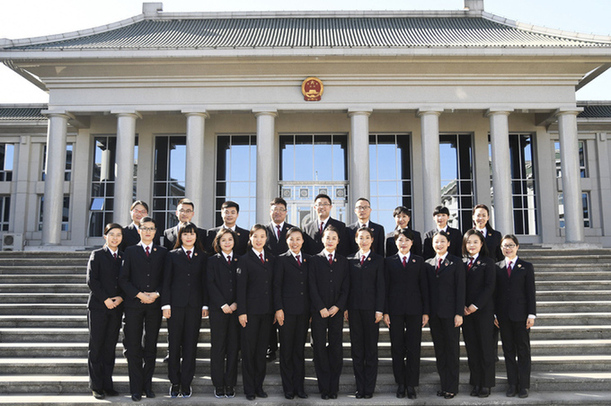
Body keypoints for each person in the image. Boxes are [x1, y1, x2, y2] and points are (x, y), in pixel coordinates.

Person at [119, 216, 167, 402]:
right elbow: (123, 279)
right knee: (133, 347)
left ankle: (148, 385)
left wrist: (156, 294)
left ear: (155, 232)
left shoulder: (162, 252)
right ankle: (136, 388)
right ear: (139, 231)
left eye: (151, 228)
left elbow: (167, 279)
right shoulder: (130, 251)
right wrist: (139, 294)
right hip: (133, 305)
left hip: (154, 305)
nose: (148, 231)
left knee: (151, 346)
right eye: (144, 228)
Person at [161, 223, 207, 398]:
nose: (189, 237)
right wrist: (165, 305)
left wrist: (205, 305)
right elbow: (166, 281)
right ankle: (174, 382)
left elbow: (204, 283)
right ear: (180, 236)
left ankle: (186, 383)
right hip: (175, 306)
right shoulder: (172, 255)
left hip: (194, 306)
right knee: (174, 345)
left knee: (190, 345)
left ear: (196, 236)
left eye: (192, 234)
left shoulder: (203, 256)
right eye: (185, 234)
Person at [383, 228, 429, 400]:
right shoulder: (389, 261)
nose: (403, 243)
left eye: (407, 240)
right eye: (400, 240)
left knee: (413, 347)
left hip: (415, 310)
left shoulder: (419, 261)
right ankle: (400, 383)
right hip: (394, 310)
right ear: (395, 242)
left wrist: (426, 311)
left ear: (412, 243)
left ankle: (411, 384)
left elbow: (424, 287)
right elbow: (385, 287)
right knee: (397, 347)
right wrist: (385, 311)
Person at [309, 225, 350, 399]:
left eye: (334, 238)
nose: (330, 241)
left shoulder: (344, 261)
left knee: (336, 348)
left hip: (336, 312)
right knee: (319, 348)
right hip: (318, 311)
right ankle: (323, 387)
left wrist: (338, 306)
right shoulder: (314, 260)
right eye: (327, 238)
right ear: (322, 240)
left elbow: (346, 287)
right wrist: (320, 307)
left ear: (338, 241)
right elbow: (311, 285)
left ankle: (334, 387)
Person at [425, 231, 465, 399]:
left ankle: (452, 387)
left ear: (448, 243)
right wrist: (426, 312)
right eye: (436, 242)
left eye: (442, 241)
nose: (439, 244)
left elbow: (460, 289)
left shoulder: (456, 262)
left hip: (451, 314)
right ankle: (444, 385)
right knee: (440, 351)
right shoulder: (428, 264)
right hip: (435, 315)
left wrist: (459, 313)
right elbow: (426, 291)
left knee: (452, 350)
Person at [345, 227, 385, 399]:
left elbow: (381, 286)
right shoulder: (349, 260)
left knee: (371, 350)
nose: (364, 241)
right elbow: (346, 286)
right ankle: (359, 387)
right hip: (354, 310)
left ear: (372, 240)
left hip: (371, 310)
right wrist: (346, 308)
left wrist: (379, 309)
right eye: (360, 237)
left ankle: (369, 388)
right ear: (356, 240)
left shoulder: (378, 260)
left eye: (367, 237)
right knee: (357, 350)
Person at [495, 234, 536, 399]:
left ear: (517, 247)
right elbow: (495, 294)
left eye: (511, 245)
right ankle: (512, 384)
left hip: (521, 316)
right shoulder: (497, 267)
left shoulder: (526, 266)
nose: (508, 248)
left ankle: (524, 385)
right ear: (501, 248)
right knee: (508, 351)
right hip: (503, 317)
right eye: (505, 246)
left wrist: (531, 314)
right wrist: (495, 314)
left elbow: (530, 292)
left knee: (523, 350)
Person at [237, 224, 275, 400]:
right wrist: (242, 312)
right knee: (248, 352)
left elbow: (274, 286)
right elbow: (241, 288)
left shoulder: (271, 259)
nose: (259, 240)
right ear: (250, 238)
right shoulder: (244, 260)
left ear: (266, 239)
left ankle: (259, 386)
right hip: (249, 313)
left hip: (267, 312)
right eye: (255, 236)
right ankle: (249, 389)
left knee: (261, 352)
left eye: (262, 236)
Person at [86, 223, 124, 400]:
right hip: (99, 307)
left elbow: (127, 280)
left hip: (116, 308)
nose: (115, 238)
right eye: (112, 234)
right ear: (105, 236)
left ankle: (108, 385)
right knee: (96, 346)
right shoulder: (97, 255)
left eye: (118, 235)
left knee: (110, 347)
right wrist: (105, 299)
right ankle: (96, 386)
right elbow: (91, 280)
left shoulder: (123, 257)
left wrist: (121, 297)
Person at [274, 227, 310, 400]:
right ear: (286, 241)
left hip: (303, 311)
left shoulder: (309, 260)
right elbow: (276, 286)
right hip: (286, 312)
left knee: (299, 351)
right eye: (291, 239)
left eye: (298, 239)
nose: (295, 243)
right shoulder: (281, 260)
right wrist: (278, 309)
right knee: (286, 351)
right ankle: (288, 388)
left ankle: (299, 387)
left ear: (303, 241)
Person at [462, 229, 496, 398]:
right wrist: (462, 306)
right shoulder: (461, 262)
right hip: (466, 313)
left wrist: (475, 305)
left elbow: (490, 287)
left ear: (482, 244)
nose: (472, 245)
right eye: (469, 242)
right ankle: (475, 383)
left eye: (475, 242)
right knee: (472, 349)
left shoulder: (488, 262)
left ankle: (486, 384)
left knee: (485, 348)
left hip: (483, 311)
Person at [207, 228, 240, 399]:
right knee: (218, 347)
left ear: (234, 241)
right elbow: (210, 284)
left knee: (233, 348)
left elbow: (244, 284)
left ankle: (230, 384)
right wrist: (222, 304)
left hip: (236, 310)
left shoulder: (240, 260)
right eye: (223, 240)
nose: (227, 242)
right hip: (218, 310)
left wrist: (236, 303)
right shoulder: (212, 261)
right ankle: (218, 384)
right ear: (218, 243)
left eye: (230, 239)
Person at [264, 197, 296, 362]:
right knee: (269, 314)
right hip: (267, 279)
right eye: (274, 210)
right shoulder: (263, 230)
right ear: (270, 212)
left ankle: (286, 348)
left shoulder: (293, 231)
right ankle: (271, 347)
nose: (277, 212)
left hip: (289, 280)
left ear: (286, 212)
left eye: (281, 209)